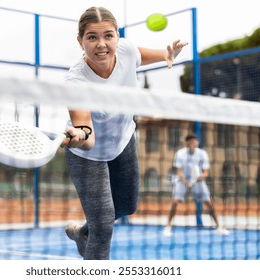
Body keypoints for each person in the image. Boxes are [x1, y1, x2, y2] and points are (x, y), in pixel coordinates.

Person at [61, 6, 188, 260]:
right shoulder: (76, 82)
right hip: (87, 155)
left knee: (128, 206)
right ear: (80, 40)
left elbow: (139, 54)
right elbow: (87, 130)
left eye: (108, 36)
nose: (101, 45)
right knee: (104, 225)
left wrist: (167, 54)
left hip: (123, 141)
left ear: (117, 37)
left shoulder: (126, 50)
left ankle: (82, 232)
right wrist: (80, 137)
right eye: (92, 37)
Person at [163, 133, 230, 237]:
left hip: (198, 182)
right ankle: (168, 227)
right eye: (189, 141)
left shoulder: (202, 153)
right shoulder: (180, 154)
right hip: (182, 182)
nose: (192, 143)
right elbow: (179, 172)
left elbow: (206, 172)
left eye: (194, 141)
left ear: (196, 142)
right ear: (186, 143)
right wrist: (186, 182)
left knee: (209, 203)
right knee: (174, 202)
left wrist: (200, 178)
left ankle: (219, 227)